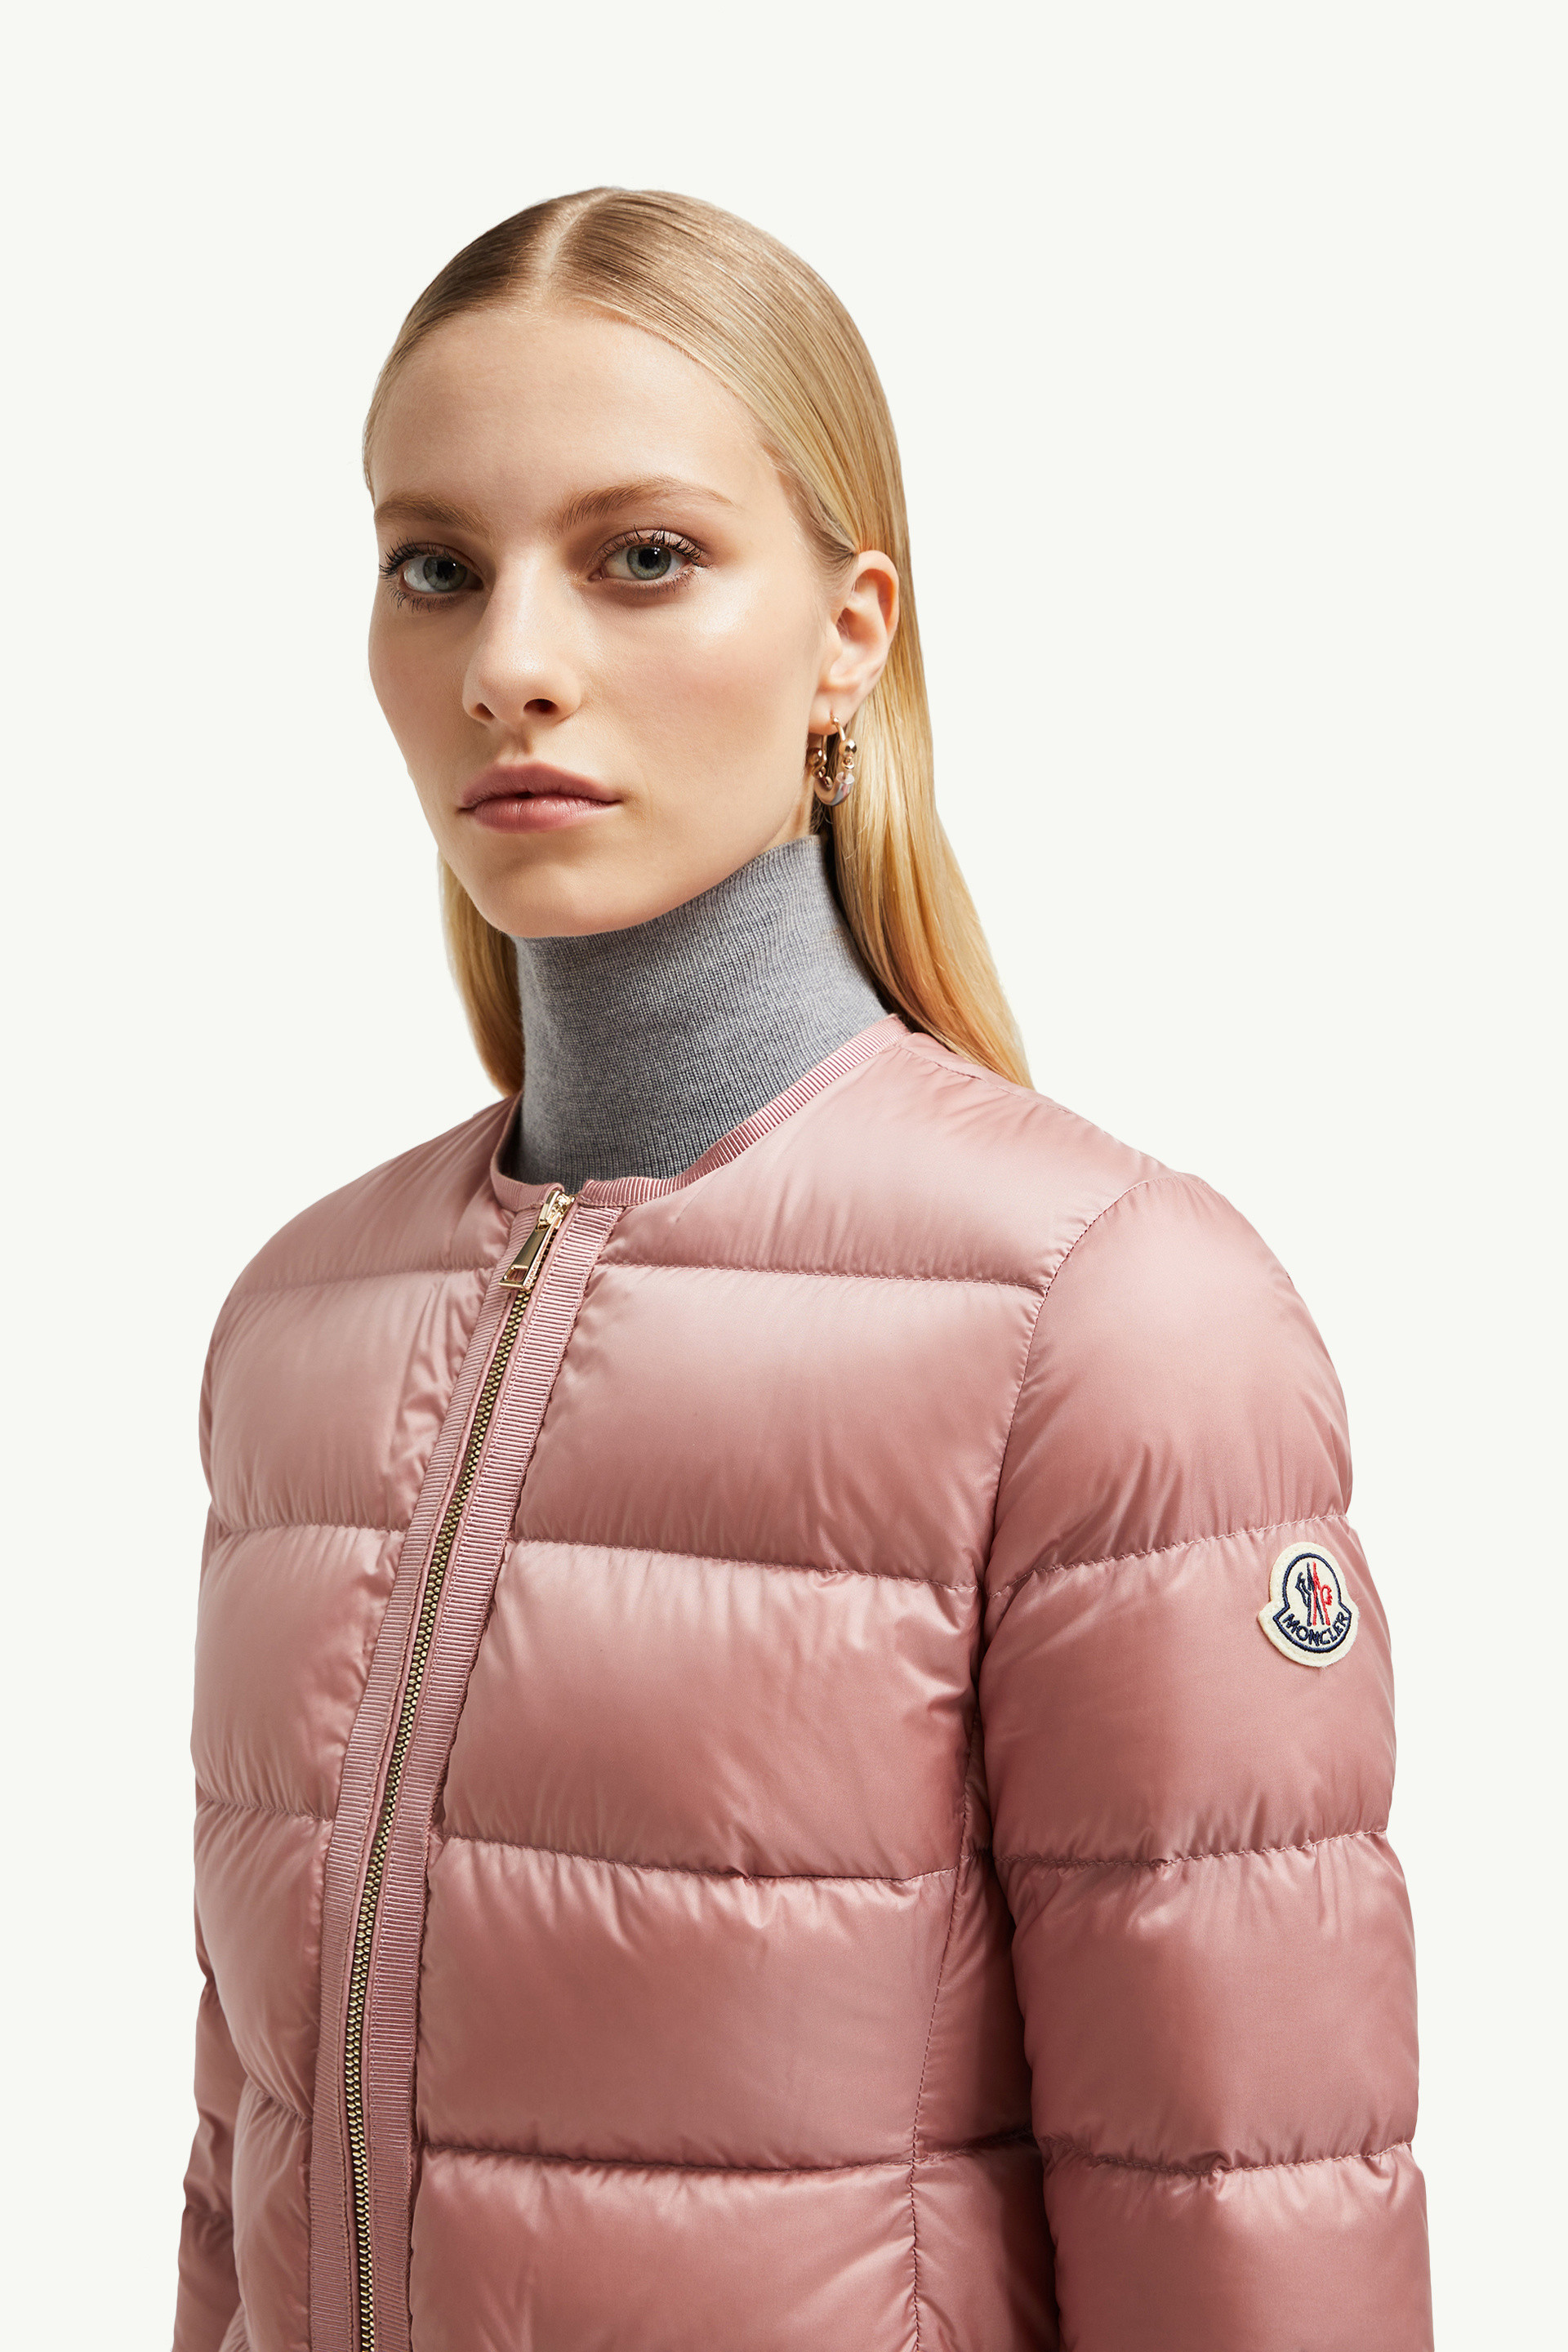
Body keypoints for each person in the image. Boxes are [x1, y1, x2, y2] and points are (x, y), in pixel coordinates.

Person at [173, 189, 1432, 2352]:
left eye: (642, 556)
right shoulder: (303, 1326)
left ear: (852, 634)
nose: (509, 662)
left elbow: (1246, 2216)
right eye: (435, 565)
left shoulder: (1112, 1319)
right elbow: (246, 2160)